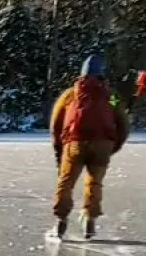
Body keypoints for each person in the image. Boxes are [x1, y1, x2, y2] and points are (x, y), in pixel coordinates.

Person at [49, 54, 130, 240]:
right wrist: (113, 145)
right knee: (94, 182)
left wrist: (59, 147)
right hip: (103, 145)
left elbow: (56, 123)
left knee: (66, 181)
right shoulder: (111, 96)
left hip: (74, 143)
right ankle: (90, 220)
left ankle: (60, 221)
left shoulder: (70, 95)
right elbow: (123, 122)